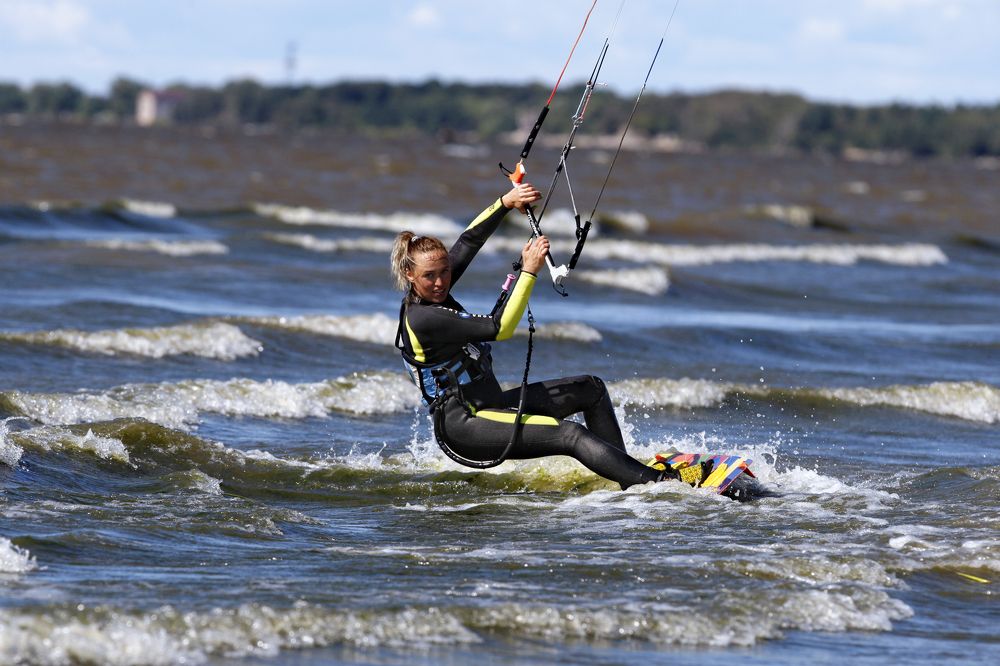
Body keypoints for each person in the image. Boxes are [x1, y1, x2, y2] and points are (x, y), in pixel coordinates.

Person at [391, 182, 675, 490]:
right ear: (409, 275)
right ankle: (660, 485)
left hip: (492, 406)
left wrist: (506, 201)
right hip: (467, 425)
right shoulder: (423, 317)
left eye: (445, 271)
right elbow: (499, 327)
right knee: (570, 435)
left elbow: (469, 240)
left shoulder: (435, 288)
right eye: (429, 276)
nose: (440, 282)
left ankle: (627, 477)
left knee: (590, 389)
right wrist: (529, 272)